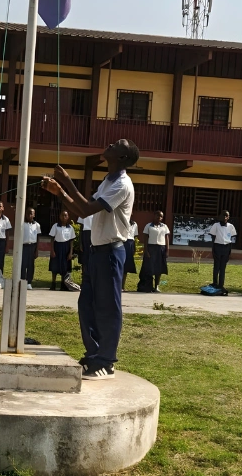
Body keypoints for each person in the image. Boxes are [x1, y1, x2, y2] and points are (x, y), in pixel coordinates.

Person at [41, 139, 139, 380]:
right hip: (96, 251)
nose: (111, 143)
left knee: (107, 306)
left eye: (118, 145)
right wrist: (61, 191)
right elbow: (81, 208)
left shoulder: (123, 185)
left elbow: (85, 210)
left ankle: (107, 361)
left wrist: (64, 185)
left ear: (123, 158)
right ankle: (93, 355)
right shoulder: (108, 181)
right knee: (87, 304)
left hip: (111, 251)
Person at [208, 210, 237, 292]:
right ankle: (215, 283)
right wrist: (213, 249)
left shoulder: (231, 226)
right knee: (216, 266)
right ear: (220, 216)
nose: (225, 217)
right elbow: (213, 238)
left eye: (226, 216)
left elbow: (231, 238)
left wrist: (229, 251)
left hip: (226, 247)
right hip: (217, 246)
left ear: (228, 217)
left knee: (223, 267)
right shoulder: (216, 225)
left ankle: (221, 285)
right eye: (223, 215)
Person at [142, 211, 170, 293]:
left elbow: (167, 238)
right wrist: (146, 250)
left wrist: (167, 250)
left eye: (161, 216)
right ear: (154, 215)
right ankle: (148, 286)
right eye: (158, 215)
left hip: (161, 248)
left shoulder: (164, 226)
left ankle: (156, 286)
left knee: (159, 268)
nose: (159, 217)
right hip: (151, 248)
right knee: (150, 267)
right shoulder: (148, 226)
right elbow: (145, 238)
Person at [49, 209, 76, 291]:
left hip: (66, 248)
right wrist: (52, 250)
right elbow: (52, 239)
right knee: (55, 266)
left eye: (65, 215)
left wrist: (70, 252)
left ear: (68, 217)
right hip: (57, 246)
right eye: (62, 215)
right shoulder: (55, 226)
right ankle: (53, 284)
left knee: (64, 267)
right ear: (60, 216)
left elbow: (71, 241)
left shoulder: (70, 227)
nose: (64, 217)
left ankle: (63, 284)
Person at [20, 207, 41, 290]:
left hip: (32, 246)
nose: (29, 215)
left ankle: (29, 282)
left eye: (31, 213)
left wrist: (37, 250)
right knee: (23, 264)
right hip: (24, 246)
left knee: (30, 265)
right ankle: (22, 280)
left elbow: (38, 237)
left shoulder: (37, 225)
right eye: (28, 213)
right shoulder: (22, 224)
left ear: (34, 215)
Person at [122, 218, 138, 291]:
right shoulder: (121, 220)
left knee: (126, 266)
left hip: (130, 243)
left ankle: (122, 286)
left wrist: (134, 247)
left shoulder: (134, 224)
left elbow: (134, 237)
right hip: (122, 242)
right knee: (120, 264)